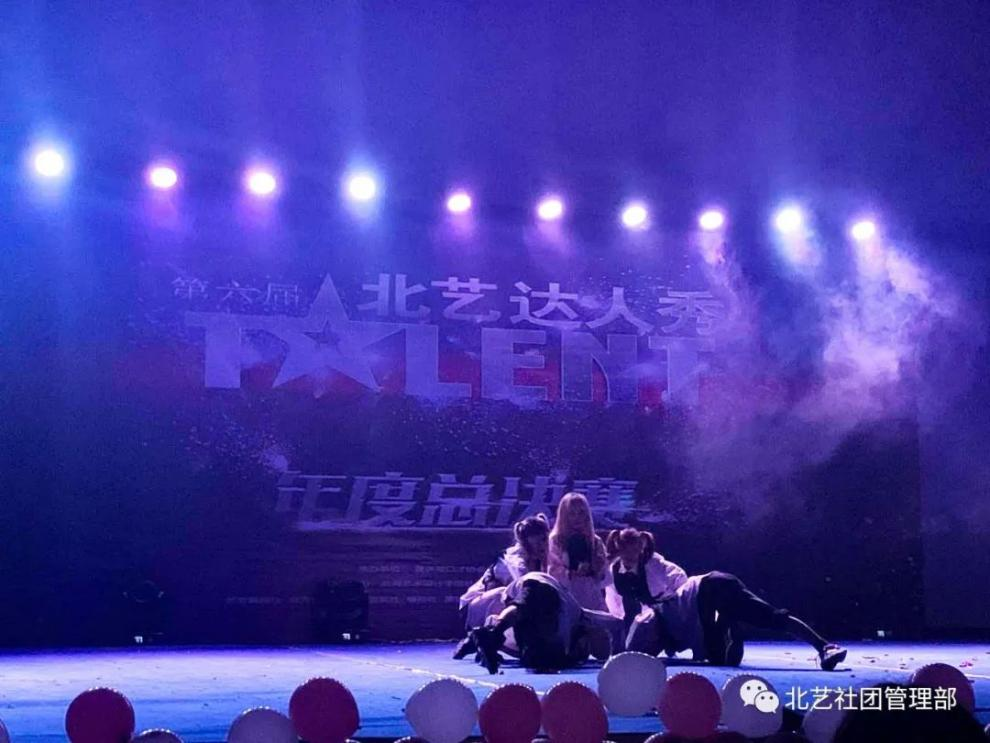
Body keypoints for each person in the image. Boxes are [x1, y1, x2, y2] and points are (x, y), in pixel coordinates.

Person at [626, 570, 848, 671]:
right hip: (714, 585)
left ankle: (825, 647)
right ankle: (825, 647)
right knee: (769, 619)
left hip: (708, 591)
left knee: (723, 657)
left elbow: (643, 635)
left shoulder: (660, 619)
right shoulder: (673, 629)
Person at [469, 571, 625, 673]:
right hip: (541, 587)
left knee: (534, 651)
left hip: (535, 625)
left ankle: (492, 632)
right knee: (527, 605)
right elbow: (614, 624)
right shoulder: (580, 617)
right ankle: (494, 631)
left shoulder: (566, 636)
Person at [453, 514, 549, 659]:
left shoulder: (542, 559)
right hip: (472, 610)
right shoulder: (513, 560)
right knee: (505, 595)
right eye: (540, 541)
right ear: (527, 540)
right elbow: (525, 586)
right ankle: (484, 640)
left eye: (545, 539)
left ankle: (476, 641)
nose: (544, 545)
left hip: (496, 608)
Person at [604, 527, 688, 632]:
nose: (629, 555)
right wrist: (620, 619)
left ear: (640, 549)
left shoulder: (655, 566)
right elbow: (613, 601)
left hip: (668, 613)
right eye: (624, 550)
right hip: (641, 619)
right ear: (618, 549)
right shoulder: (614, 571)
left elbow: (680, 579)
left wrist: (676, 607)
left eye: (634, 550)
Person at [547, 492, 610, 611]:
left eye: (581, 513)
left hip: (591, 596)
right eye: (572, 513)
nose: (577, 518)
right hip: (565, 597)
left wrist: (598, 567)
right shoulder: (556, 540)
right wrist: (572, 572)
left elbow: (605, 578)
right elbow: (552, 572)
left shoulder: (595, 541)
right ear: (564, 515)